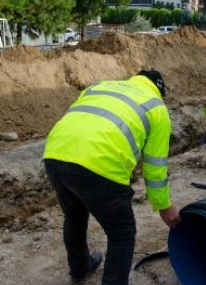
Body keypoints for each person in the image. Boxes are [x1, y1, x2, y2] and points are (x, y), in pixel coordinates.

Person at [43, 69, 181, 285]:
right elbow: (154, 167)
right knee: (122, 232)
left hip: (55, 154)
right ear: (160, 90)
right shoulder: (156, 106)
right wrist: (163, 206)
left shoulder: (100, 86)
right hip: (100, 163)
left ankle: (80, 271)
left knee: (74, 217)